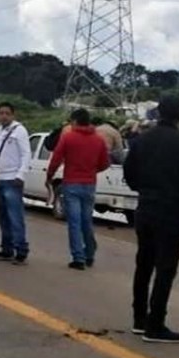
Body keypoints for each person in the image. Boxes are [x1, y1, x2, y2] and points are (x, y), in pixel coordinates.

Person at [124, 96, 179, 343]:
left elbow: (129, 173)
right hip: (173, 211)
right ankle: (155, 323)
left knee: (144, 264)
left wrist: (145, 190)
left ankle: (139, 319)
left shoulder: (142, 140)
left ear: (158, 113)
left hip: (145, 207)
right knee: (165, 268)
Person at [46, 108, 109, 270]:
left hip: (71, 183)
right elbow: (105, 163)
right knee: (86, 220)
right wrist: (92, 171)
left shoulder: (68, 138)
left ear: (74, 121)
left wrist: (49, 177)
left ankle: (78, 257)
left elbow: (56, 159)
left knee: (74, 221)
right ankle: (89, 253)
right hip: (89, 184)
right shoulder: (99, 140)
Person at [0, 102, 31, 265]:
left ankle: (21, 250)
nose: (4, 116)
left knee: (15, 216)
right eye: (1, 113)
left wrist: (21, 174)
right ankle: (7, 248)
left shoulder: (19, 131)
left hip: (12, 180)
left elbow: (26, 154)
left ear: (13, 115)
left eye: (7, 113)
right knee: (1, 216)